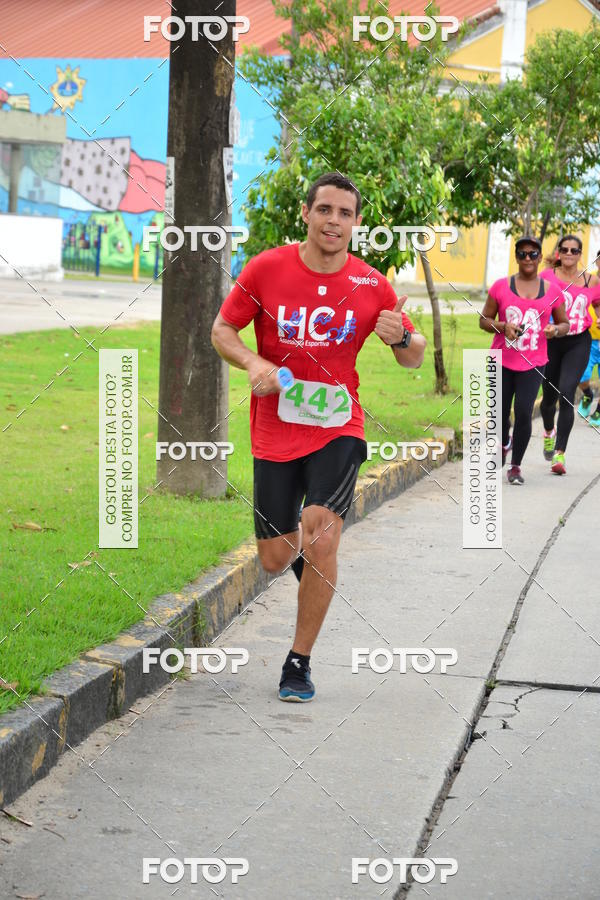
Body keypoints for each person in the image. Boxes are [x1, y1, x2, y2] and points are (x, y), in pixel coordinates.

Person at [211, 172, 426, 702]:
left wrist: (404, 339)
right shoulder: (266, 269)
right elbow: (222, 330)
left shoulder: (370, 283)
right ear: (306, 213)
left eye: (345, 213)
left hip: (338, 426)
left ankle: (298, 662)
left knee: (322, 532)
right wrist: (253, 361)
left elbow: (413, 353)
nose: (334, 221)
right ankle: (316, 573)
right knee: (276, 557)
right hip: (275, 427)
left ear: (355, 223)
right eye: (325, 209)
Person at [479, 236, 568, 485]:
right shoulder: (500, 287)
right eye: (522, 254)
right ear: (516, 257)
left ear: (540, 258)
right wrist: (503, 326)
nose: (527, 258)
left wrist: (555, 331)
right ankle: (504, 441)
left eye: (532, 254)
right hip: (501, 359)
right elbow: (483, 320)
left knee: (524, 411)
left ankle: (516, 466)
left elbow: (564, 323)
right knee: (499, 412)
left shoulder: (552, 291)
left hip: (534, 361)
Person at [540, 235, 600, 471]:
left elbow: (597, 302)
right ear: (559, 253)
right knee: (548, 400)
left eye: (574, 251)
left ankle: (559, 454)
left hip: (578, 341)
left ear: (580, 254)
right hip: (552, 341)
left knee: (566, 392)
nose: (568, 254)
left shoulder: (592, 281)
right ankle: (548, 430)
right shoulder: (546, 277)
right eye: (564, 249)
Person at [577, 247, 600, 429]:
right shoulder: (588, 280)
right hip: (588, 339)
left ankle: (598, 410)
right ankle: (587, 395)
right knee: (579, 376)